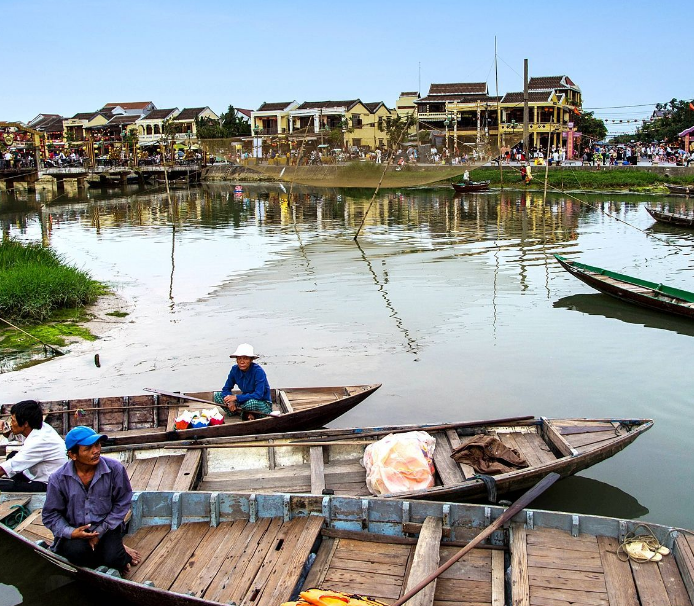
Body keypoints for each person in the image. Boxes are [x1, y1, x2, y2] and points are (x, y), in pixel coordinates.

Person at [42, 426, 140, 573]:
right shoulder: (58, 479)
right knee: (77, 554)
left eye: (97, 445)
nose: (96, 451)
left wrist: (99, 533)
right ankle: (115, 553)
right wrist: (71, 532)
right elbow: (50, 514)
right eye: (88, 448)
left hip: (106, 527)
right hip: (75, 529)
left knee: (114, 559)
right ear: (73, 455)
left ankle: (117, 553)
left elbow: (122, 502)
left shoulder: (115, 470)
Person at [0, 400, 67, 492]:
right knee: (12, 455)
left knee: (4, 485)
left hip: (50, 485)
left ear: (25, 423)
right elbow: (19, 436)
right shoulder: (40, 426)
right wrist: (6, 431)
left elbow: (8, 466)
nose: (11, 424)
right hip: (45, 475)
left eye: (13, 420)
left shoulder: (39, 441)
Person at [216, 343, 272, 420]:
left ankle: (243, 412)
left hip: (261, 403)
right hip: (244, 401)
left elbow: (258, 395)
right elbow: (226, 389)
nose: (242, 362)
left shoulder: (258, 371)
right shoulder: (234, 370)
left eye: (245, 358)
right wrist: (230, 402)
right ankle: (242, 412)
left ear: (251, 360)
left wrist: (236, 397)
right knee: (217, 396)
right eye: (239, 359)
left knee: (251, 403)